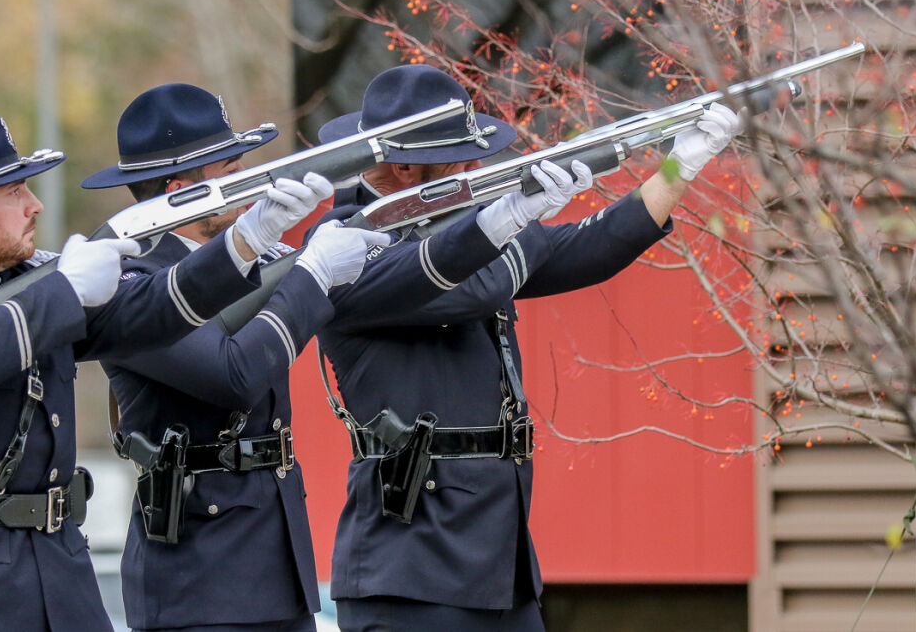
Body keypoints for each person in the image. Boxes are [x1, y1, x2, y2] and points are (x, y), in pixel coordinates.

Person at [0, 102, 331, 632]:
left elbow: (148, 312)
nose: (35, 206)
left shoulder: (28, 286)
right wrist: (66, 290)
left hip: (59, 582)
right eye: (15, 192)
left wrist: (246, 240)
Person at [80, 83, 559, 632]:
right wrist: (311, 272)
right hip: (194, 578)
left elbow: (414, 273)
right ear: (179, 190)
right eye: (228, 167)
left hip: (276, 568)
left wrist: (495, 224)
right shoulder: (130, 285)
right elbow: (234, 374)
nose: (244, 177)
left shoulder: (250, 262)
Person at [311, 65, 744, 631]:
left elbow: (595, 245)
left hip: (497, 564)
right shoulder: (348, 249)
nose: (477, 168)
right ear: (404, 168)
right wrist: (518, 211)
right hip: (412, 573)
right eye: (462, 158)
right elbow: (477, 284)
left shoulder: (460, 234)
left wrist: (678, 164)